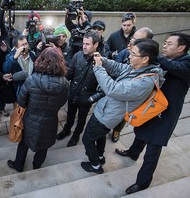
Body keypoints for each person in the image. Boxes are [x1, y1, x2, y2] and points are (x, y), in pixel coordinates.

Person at [115, 32, 190, 194]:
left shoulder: (186, 62)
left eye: (169, 44)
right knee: (141, 130)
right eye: (165, 43)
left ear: (181, 47)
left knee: (153, 151)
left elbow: (174, 68)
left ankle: (142, 183)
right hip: (152, 106)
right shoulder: (167, 60)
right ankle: (133, 152)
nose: (164, 45)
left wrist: (152, 53)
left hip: (166, 113)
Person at [81, 38, 163, 174]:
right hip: (107, 111)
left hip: (107, 116)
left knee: (87, 139)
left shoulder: (145, 81)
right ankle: (100, 156)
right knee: (100, 136)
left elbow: (113, 89)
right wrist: (103, 60)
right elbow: (118, 68)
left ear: (145, 59)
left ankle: (95, 165)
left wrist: (98, 67)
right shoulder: (137, 69)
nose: (129, 56)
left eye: (133, 54)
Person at [7, 47, 69, 172]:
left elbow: (21, 102)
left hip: (30, 118)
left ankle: (18, 165)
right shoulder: (65, 83)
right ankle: (37, 166)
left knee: (24, 143)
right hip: (50, 120)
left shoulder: (32, 80)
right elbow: (62, 102)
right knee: (44, 146)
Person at [56, 30, 99, 147]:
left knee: (81, 119)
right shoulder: (77, 56)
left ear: (96, 45)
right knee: (70, 114)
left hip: (86, 98)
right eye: (83, 43)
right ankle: (66, 130)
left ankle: (76, 135)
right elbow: (69, 73)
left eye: (87, 44)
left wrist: (93, 98)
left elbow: (103, 85)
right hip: (73, 93)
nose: (84, 46)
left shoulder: (100, 61)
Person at [111, 27, 154, 142]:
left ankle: (117, 131)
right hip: (118, 88)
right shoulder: (125, 52)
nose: (132, 40)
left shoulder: (151, 61)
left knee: (124, 114)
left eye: (137, 39)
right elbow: (116, 65)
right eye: (133, 37)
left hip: (132, 95)